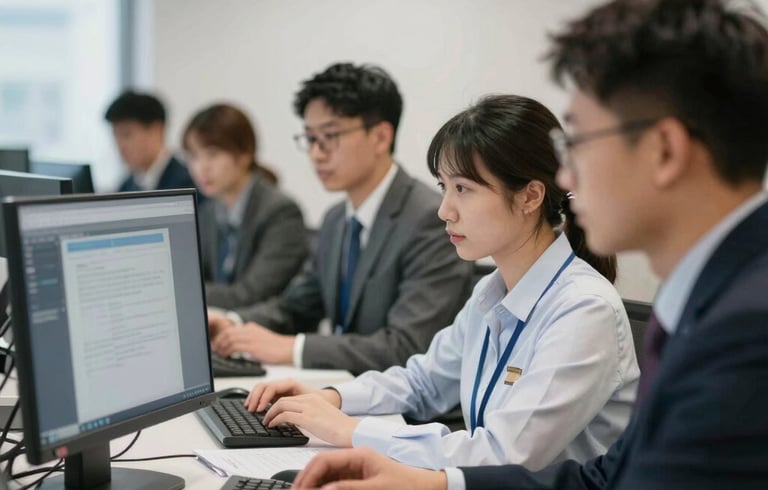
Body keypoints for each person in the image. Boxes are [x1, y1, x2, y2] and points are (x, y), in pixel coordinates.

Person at [260, 0, 768, 490]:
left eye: (581, 145)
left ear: (665, 151)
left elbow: (515, 457)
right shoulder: (698, 304)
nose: (566, 179)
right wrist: (428, 483)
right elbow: (597, 481)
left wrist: (357, 435)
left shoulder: (737, 331)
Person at [246, 94, 638, 470]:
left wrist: (352, 431)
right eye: (443, 188)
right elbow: (423, 382)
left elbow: (505, 455)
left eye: (463, 189)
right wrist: (331, 398)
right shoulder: (492, 290)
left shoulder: (584, 310)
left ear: (530, 196)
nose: (444, 210)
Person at [208, 63, 473, 374]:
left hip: (407, 414)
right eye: (310, 138)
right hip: (346, 394)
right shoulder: (336, 219)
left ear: (380, 137)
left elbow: (408, 346)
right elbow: (296, 306)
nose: (317, 154)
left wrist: (291, 348)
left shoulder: (429, 218)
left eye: (330, 136)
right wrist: (233, 324)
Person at [182, 103, 308, 310]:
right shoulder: (209, 211)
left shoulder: (280, 212)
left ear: (244, 154)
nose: (201, 168)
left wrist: (184, 290)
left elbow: (250, 295)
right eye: (193, 156)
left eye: (212, 154)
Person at [104, 90, 198, 195]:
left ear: (156, 130)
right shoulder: (126, 186)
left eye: (126, 134)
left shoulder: (189, 184)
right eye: (115, 137)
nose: (120, 145)